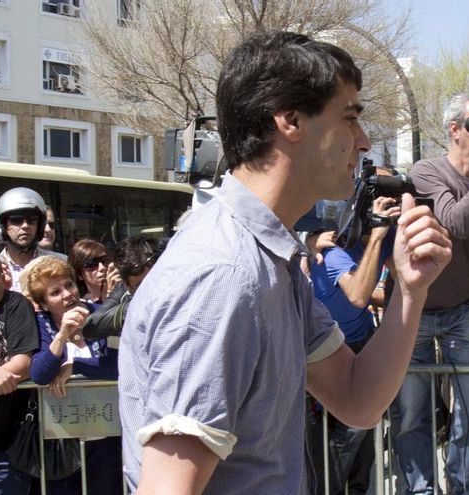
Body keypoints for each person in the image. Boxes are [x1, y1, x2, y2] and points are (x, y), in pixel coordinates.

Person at [118, 31, 451, 494]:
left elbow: (357, 400)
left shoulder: (274, 260)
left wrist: (410, 291)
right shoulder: (223, 274)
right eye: (350, 118)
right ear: (290, 120)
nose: (363, 141)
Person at [393, 92, 469, 495]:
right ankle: (420, 490)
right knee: (412, 414)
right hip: (417, 311)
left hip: (463, 311)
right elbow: (454, 223)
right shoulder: (426, 172)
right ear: (455, 129)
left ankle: (463, 488)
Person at [305, 182, 399, 495]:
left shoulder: (383, 235)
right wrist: (379, 235)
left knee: (362, 450)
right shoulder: (330, 246)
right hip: (324, 353)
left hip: (360, 346)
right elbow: (359, 294)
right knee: (334, 451)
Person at [23, 255, 119, 494]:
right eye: (55, 292)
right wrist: (62, 334)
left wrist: (76, 366)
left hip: (107, 435)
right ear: (44, 304)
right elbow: (40, 374)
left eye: (69, 285)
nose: (67, 294)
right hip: (63, 439)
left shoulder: (101, 314)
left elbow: (120, 364)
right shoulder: (40, 324)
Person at [0, 249, 38, 494]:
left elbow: (22, 365)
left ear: (3, 277)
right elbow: (1, 375)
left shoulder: (15, 304)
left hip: (6, 443)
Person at [80, 235, 163, 341]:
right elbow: (91, 328)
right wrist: (138, 305)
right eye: (141, 286)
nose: (150, 288)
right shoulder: (123, 292)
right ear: (128, 286)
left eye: (153, 280)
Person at [0, 188, 65, 292]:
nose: (25, 226)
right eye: (16, 220)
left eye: (32, 220)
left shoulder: (61, 263)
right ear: (3, 225)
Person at [67, 239, 118, 304]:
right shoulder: (81, 305)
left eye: (105, 260)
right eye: (92, 264)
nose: (102, 268)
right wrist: (110, 294)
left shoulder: (125, 292)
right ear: (79, 274)